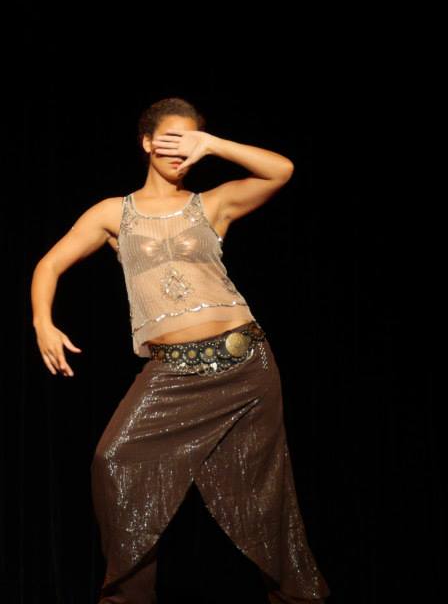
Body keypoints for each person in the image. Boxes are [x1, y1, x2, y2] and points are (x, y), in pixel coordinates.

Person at [30, 97, 331, 603]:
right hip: (173, 371)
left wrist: (212, 143)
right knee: (113, 461)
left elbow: (281, 170)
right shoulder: (113, 213)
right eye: (170, 139)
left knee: (263, 498)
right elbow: (49, 265)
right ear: (147, 142)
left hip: (245, 365)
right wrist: (43, 321)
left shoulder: (212, 203)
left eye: (189, 141)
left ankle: (298, 598)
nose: (180, 150)